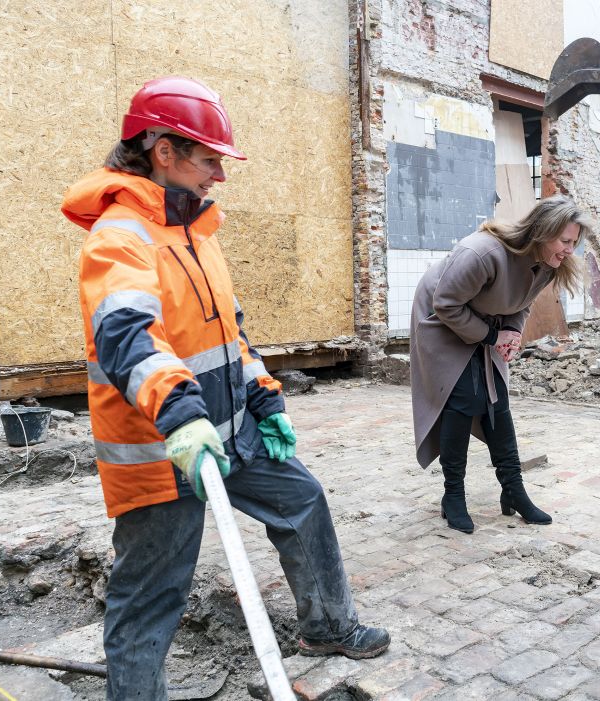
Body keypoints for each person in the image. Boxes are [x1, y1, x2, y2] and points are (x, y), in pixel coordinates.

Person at [61, 77, 388, 700]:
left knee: (304, 501)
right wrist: (181, 415)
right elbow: (127, 334)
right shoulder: (120, 237)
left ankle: (326, 625)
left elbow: (228, 334)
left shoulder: (195, 231)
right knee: (150, 596)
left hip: (228, 432)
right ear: (164, 151)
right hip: (165, 448)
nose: (220, 174)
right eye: (209, 159)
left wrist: (262, 396)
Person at [410, 196, 587, 533]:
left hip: (485, 320)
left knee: (496, 401)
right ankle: (453, 496)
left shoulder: (549, 264)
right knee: (462, 399)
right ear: (542, 231)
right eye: (565, 241)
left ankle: (513, 491)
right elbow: (445, 304)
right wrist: (492, 337)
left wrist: (510, 331)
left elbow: (521, 303)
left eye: (574, 243)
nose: (569, 250)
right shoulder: (482, 253)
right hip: (441, 317)